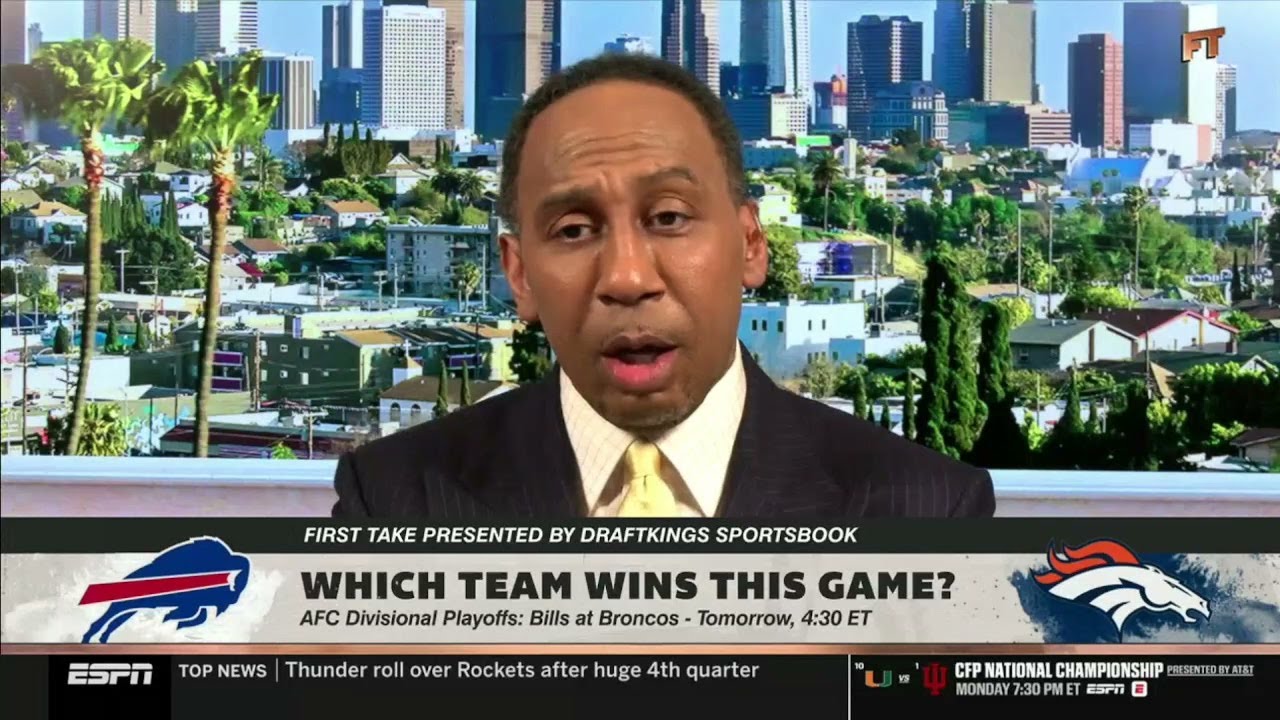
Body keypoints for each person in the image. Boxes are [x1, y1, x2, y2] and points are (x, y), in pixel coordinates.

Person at [332, 53, 995, 519]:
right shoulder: (395, 500)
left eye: (670, 218)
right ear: (519, 274)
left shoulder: (925, 512)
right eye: (573, 229)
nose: (627, 277)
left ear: (751, 244)